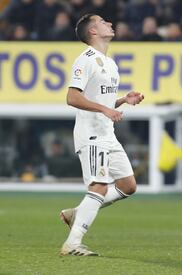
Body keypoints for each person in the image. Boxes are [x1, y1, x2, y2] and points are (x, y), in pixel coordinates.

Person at [59, 13, 144, 256]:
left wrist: (121, 101)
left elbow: (101, 101)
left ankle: (78, 212)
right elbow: (72, 97)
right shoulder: (85, 60)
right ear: (93, 31)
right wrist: (106, 109)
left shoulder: (110, 62)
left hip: (108, 134)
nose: (109, 22)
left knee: (128, 185)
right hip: (92, 134)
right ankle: (73, 243)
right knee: (99, 186)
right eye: (102, 21)